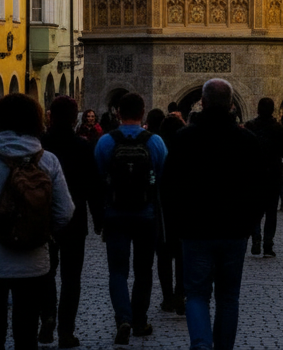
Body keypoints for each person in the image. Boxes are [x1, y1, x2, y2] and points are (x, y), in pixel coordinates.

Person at [0, 93, 74, 350]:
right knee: (27, 334)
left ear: (0, 120)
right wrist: (43, 232)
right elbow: (65, 211)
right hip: (34, 261)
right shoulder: (47, 160)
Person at [161, 79, 271, 350]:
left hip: (195, 231)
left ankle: (201, 345)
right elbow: (262, 188)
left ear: (203, 102)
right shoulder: (247, 140)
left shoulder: (184, 138)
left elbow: (168, 186)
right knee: (228, 297)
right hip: (234, 232)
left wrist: (176, 225)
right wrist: (249, 223)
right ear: (232, 105)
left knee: (196, 295)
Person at [94, 92, 168, 343]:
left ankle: (122, 318)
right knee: (144, 270)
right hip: (146, 214)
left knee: (117, 272)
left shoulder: (106, 142)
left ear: (118, 113)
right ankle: (139, 320)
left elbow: (99, 177)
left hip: (115, 214)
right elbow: (162, 177)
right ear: (143, 112)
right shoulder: (155, 141)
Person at [40, 96, 103, 348]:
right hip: (75, 221)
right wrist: (99, 218)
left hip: (43, 220)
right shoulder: (82, 146)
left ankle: (47, 316)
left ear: (50, 117)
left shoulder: (40, 146)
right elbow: (94, 186)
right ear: (75, 117)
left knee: (45, 271)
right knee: (71, 277)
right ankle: (66, 330)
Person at [244, 98, 283, 257]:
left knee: (255, 210)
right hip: (273, 174)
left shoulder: (250, 127)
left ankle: (256, 238)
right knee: (271, 212)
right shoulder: (278, 128)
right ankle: (268, 245)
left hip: (254, 175)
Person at [155, 107, 185, 313]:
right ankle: (180, 294)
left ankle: (167, 297)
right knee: (183, 254)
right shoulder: (186, 146)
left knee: (164, 255)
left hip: (162, 208)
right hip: (185, 208)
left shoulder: (159, 145)